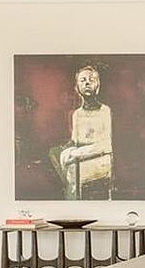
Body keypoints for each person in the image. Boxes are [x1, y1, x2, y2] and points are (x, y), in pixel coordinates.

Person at [49, 63, 114, 199]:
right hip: (80, 156)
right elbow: (75, 140)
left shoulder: (105, 111)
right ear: (77, 87)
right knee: (54, 153)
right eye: (83, 80)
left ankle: (73, 202)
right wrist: (65, 150)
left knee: (72, 170)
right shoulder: (77, 114)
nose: (87, 83)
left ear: (98, 85)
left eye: (91, 79)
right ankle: (69, 191)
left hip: (101, 158)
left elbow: (106, 144)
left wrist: (76, 153)